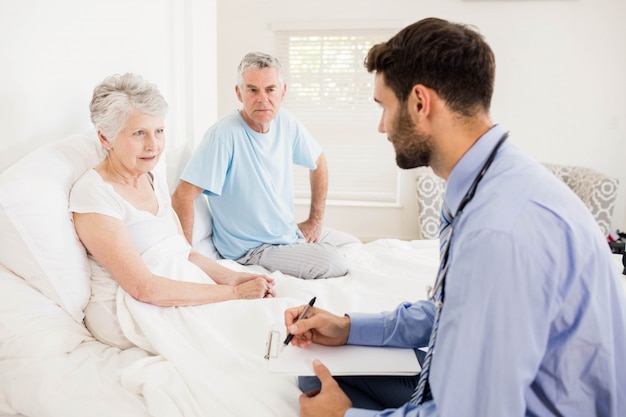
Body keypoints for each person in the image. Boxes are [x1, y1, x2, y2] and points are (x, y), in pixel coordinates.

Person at [284, 17, 626, 417]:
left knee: (322, 402)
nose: (381, 127)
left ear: (419, 103)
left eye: (384, 107)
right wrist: (348, 328)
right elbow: (456, 309)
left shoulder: (499, 230)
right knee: (313, 378)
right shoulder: (485, 181)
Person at [70, 73, 275, 349]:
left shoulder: (151, 176)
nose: (153, 145)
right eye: (139, 133)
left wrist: (235, 277)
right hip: (135, 309)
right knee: (249, 340)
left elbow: (184, 252)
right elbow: (144, 288)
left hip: (176, 285)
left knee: (275, 324)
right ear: (105, 138)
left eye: (159, 131)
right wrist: (234, 293)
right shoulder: (94, 194)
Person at [171, 52, 356, 280]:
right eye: (252, 90)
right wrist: (188, 259)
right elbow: (182, 196)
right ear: (239, 93)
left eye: (270, 89)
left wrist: (314, 222)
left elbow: (318, 161)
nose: (262, 99)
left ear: (282, 91)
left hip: (286, 235)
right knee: (334, 262)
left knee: (353, 244)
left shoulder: (285, 121)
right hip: (251, 250)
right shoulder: (223, 135)